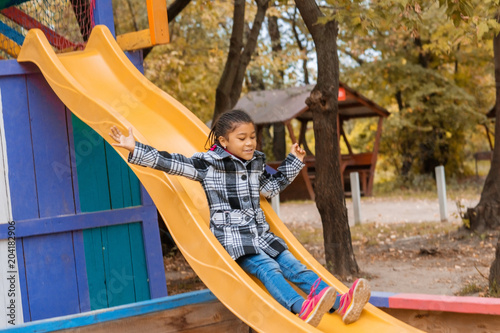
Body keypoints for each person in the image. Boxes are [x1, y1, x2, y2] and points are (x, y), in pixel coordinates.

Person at [109, 109, 370, 327]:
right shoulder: (208, 164)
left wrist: (293, 161)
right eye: (242, 138)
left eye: (253, 137)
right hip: (234, 238)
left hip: (262, 235)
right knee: (269, 269)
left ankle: (341, 304)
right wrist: (137, 149)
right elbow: (173, 163)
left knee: (295, 266)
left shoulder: (256, 162)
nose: (249, 143)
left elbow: (271, 188)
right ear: (224, 142)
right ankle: (301, 308)